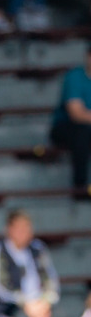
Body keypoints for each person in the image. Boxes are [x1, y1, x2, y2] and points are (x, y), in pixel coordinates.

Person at [51, 44, 91, 200]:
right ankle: (80, 189)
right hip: (65, 128)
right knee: (82, 133)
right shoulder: (74, 76)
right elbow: (76, 114)